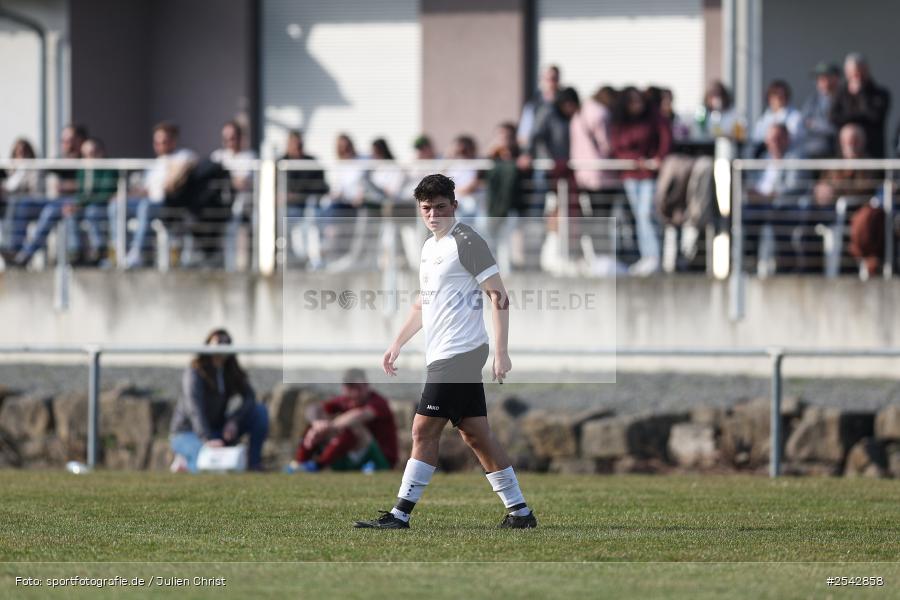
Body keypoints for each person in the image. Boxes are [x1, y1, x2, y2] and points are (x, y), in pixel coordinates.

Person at [354, 174, 537, 530]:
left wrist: (502, 352)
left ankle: (400, 514)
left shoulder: (467, 241)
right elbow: (424, 302)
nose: (434, 215)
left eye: (441, 207)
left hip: (461, 352)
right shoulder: (429, 247)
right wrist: (397, 343)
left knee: (423, 431)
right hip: (444, 353)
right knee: (476, 435)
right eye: (427, 209)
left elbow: (498, 296)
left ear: (454, 205)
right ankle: (520, 512)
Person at [170, 329, 269, 472]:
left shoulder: (230, 371)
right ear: (208, 344)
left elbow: (249, 397)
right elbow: (194, 408)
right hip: (187, 432)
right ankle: (185, 461)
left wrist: (234, 420)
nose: (222, 346)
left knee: (259, 412)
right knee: (206, 465)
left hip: (216, 429)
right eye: (218, 341)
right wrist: (206, 438)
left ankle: (254, 464)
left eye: (226, 342)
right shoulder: (194, 372)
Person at [12, 137, 117, 267]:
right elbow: (82, 193)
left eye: (93, 153)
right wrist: (76, 203)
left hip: (97, 206)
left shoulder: (109, 169)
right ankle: (72, 252)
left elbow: (105, 193)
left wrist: (79, 204)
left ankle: (99, 252)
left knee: (90, 211)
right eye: (86, 155)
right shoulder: (83, 169)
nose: (89, 158)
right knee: (60, 210)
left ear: (102, 153)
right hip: (83, 204)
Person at [110, 121, 197, 269]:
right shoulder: (154, 164)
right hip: (149, 201)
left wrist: (171, 168)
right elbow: (146, 190)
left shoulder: (183, 155)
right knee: (117, 206)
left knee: (145, 206)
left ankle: (138, 253)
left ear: (173, 140)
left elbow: (172, 183)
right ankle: (120, 251)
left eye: (164, 141)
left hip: (167, 203)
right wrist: (125, 196)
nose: (160, 145)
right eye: (157, 142)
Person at [610, 86, 672, 275]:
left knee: (647, 213)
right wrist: (633, 159)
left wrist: (657, 159)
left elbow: (665, 138)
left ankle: (653, 257)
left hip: (649, 173)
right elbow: (617, 147)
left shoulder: (653, 116)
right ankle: (646, 256)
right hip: (630, 173)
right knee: (639, 215)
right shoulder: (621, 122)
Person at [286, 368, 398, 473]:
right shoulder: (344, 401)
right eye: (350, 388)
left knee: (352, 427)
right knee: (316, 425)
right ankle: (299, 464)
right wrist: (317, 424)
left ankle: (318, 465)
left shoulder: (378, 402)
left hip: (382, 461)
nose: (355, 393)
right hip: (353, 455)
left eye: (358, 388)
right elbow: (314, 408)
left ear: (366, 386)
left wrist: (326, 428)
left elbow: (359, 415)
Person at [211, 120, 257, 270]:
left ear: (240, 138)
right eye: (226, 139)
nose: (229, 142)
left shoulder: (249, 157)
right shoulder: (217, 156)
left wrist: (224, 176)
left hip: (241, 207)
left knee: (233, 233)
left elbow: (242, 183)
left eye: (232, 138)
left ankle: (232, 269)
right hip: (217, 207)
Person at [831, 53, 891, 158]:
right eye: (852, 73)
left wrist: (862, 92)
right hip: (843, 157)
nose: (855, 77)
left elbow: (874, 116)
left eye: (859, 73)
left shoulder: (880, 94)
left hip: (871, 153)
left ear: (866, 71)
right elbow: (833, 117)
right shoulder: (840, 93)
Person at [1, 139, 43, 263]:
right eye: (18, 152)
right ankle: (7, 247)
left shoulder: (34, 168)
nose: (21, 154)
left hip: (29, 204)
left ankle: (13, 248)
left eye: (24, 151)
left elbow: (35, 189)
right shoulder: (9, 170)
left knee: (16, 203)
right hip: (9, 206)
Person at [751, 80, 805, 155]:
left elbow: (791, 139)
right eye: (775, 95)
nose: (778, 99)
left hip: (790, 158)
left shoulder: (796, 117)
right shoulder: (763, 118)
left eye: (781, 95)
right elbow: (756, 138)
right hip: (766, 160)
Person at [800, 62, 841, 158]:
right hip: (810, 151)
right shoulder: (812, 100)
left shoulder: (843, 99)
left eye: (825, 78)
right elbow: (803, 123)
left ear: (835, 79)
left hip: (834, 151)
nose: (821, 82)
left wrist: (815, 125)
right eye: (818, 79)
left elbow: (836, 128)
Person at [517, 65, 561, 148]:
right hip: (540, 157)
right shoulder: (533, 106)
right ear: (541, 80)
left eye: (554, 79)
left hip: (562, 157)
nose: (552, 83)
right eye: (548, 79)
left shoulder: (565, 104)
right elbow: (523, 136)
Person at [446, 135, 483, 226]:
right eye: (458, 150)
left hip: (473, 202)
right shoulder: (451, 165)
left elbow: (473, 185)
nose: (460, 153)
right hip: (456, 202)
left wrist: (454, 191)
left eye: (464, 150)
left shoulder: (478, 163)